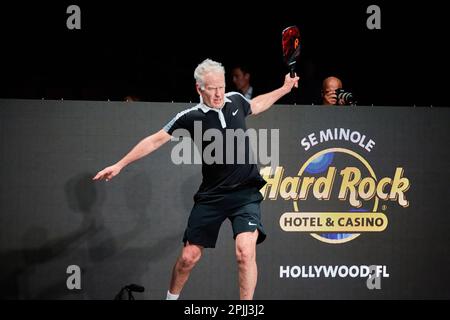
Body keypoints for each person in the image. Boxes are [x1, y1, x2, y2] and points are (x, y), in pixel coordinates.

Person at [93, 58, 299, 300]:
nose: (219, 92)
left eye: (221, 86)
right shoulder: (190, 116)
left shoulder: (235, 100)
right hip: (212, 196)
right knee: (188, 257)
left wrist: (284, 89)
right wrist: (120, 164)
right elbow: (154, 140)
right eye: (212, 88)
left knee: (245, 252)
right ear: (199, 89)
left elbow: (255, 104)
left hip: (245, 192)